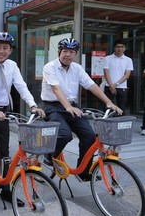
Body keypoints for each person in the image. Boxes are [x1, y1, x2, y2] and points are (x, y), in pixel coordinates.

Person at [0, 32, 46, 203]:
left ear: (10, 50)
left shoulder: (12, 66)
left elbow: (21, 86)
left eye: (5, 48)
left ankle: (6, 189)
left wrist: (33, 105)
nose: (1, 51)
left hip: (3, 112)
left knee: (4, 152)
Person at [41, 37, 122, 181]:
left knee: (90, 136)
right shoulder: (49, 67)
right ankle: (49, 154)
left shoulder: (77, 68)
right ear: (59, 52)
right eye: (65, 51)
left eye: (71, 52)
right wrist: (67, 107)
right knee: (65, 135)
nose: (68, 55)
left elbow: (91, 85)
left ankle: (83, 171)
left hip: (72, 105)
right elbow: (55, 88)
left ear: (75, 53)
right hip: (52, 106)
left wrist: (109, 102)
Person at [102, 39, 133, 114]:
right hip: (108, 86)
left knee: (121, 108)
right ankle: (106, 124)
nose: (120, 49)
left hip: (122, 87)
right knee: (108, 107)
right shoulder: (107, 58)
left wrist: (116, 84)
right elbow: (106, 73)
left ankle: (120, 125)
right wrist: (111, 86)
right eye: (118, 47)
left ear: (125, 48)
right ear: (114, 48)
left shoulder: (128, 60)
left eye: (122, 47)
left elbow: (127, 75)